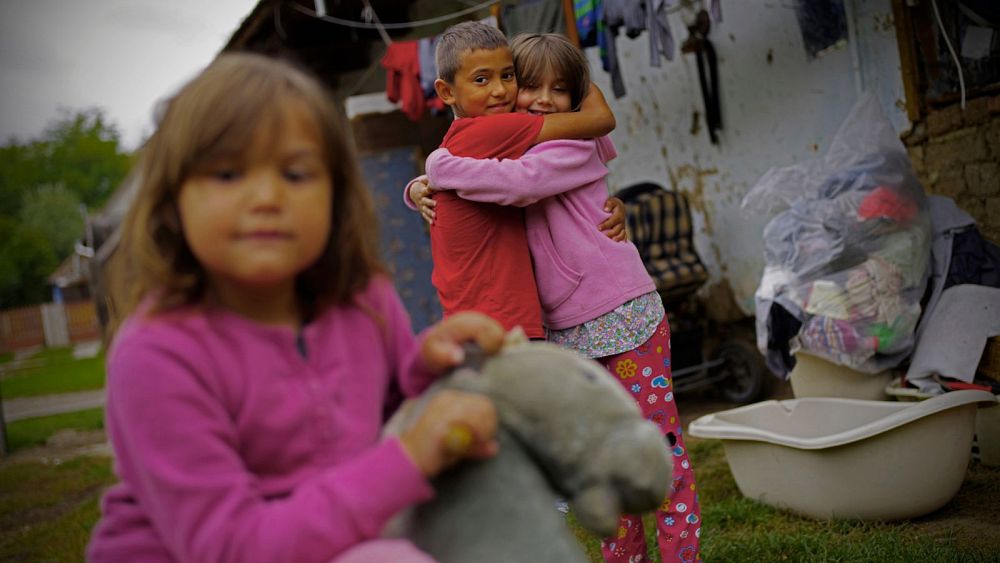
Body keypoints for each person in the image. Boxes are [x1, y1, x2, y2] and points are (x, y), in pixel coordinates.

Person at [87, 52, 508, 563]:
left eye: (295, 173)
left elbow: (393, 408)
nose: (266, 196)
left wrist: (428, 365)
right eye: (226, 174)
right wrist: (409, 460)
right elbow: (230, 548)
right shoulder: (157, 355)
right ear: (173, 202)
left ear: (336, 195)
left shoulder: (363, 302)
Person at [416, 33, 702, 563]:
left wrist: (438, 169)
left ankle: (683, 555)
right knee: (597, 460)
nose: (543, 99)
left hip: (624, 312)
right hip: (568, 327)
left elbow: (521, 183)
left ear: (577, 96)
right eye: (530, 86)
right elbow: (481, 166)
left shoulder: (572, 145)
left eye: (560, 89)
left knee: (660, 449)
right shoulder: (510, 138)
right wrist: (420, 187)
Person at [405, 21, 626, 341]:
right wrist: (573, 76)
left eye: (508, 76)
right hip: (503, 318)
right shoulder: (499, 128)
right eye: (482, 80)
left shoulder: (460, 143)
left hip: (467, 317)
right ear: (446, 92)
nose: (499, 90)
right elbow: (600, 120)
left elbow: (458, 172)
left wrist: (416, 186)